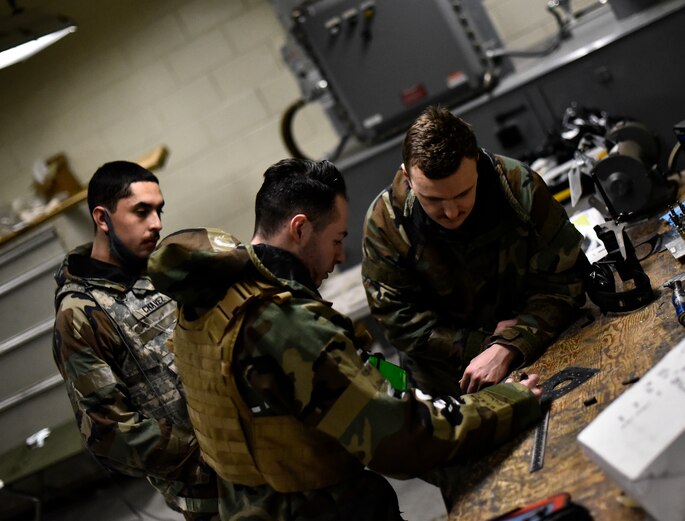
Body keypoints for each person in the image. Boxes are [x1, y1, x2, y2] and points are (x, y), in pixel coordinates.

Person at [147, 158, 543, 520]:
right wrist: (507, 401)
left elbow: (356, 369)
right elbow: (397, 437)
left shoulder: (213, 305)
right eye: (337, 239)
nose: (340, 257)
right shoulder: (284, 322)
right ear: (300, 228)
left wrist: (416, 389)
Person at [362, 105, 587, 396]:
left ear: (477, 164)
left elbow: (566, 282)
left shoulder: (518, 188)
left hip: (537, 354)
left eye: (462, 193)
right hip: (446, 387)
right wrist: (481, 345)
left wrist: (509, 344)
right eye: (433, 199)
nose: (451, 212)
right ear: (407, 177)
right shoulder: (386, 222)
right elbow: (399, 322)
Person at [52, 161, 219, 520]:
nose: (156, 223)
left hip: (259, 455)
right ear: (102, 218)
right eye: (142, 212)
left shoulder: (166, 269)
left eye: (159, 211)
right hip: (211, 492)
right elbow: (109, 432)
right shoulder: (81, 314)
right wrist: (208, 459)